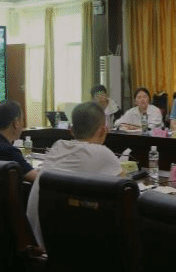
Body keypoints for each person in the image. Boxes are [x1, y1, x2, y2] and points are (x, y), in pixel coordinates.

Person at [26, 102, 124, 249]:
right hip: (66, 248)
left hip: (39, 245)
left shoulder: (57, 146)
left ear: (71, 130)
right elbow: (128, 189)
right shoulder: (102, 153)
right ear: (103, 130)